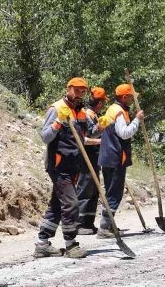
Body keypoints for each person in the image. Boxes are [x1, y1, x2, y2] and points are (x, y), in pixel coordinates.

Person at [34, 77, 92, 259]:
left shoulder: (81, 112)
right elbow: (45, 136)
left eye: (83, 91)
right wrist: (59, 121)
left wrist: (103, 125)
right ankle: (71, 244)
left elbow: (86, 137)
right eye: (77, 90)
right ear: (68, 89)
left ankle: (42, 244)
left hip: (74, 165)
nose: (80, 94)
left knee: (57, 204)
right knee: (71, 203)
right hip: (58, 165)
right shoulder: (57, 108)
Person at [96, 83, 144, 238]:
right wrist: (137, 120)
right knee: (114, 193)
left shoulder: (113, 108)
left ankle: (108, 226)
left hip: (109, 156)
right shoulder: (119, 112)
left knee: (112, 191)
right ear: (124, 97)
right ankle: (104, 228)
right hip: (115, 157)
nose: (132, 99)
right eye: (131, 97)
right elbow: (124, 133)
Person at [76, 87, 108, 234]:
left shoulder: (94, 114)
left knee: (94, 190)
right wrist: (102, 140)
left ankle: (88, 223)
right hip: (85, 158)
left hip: (95, 158)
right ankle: (80, 223)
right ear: (100, 103)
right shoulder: (86, 115)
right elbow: (86, 138)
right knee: (85, 189)